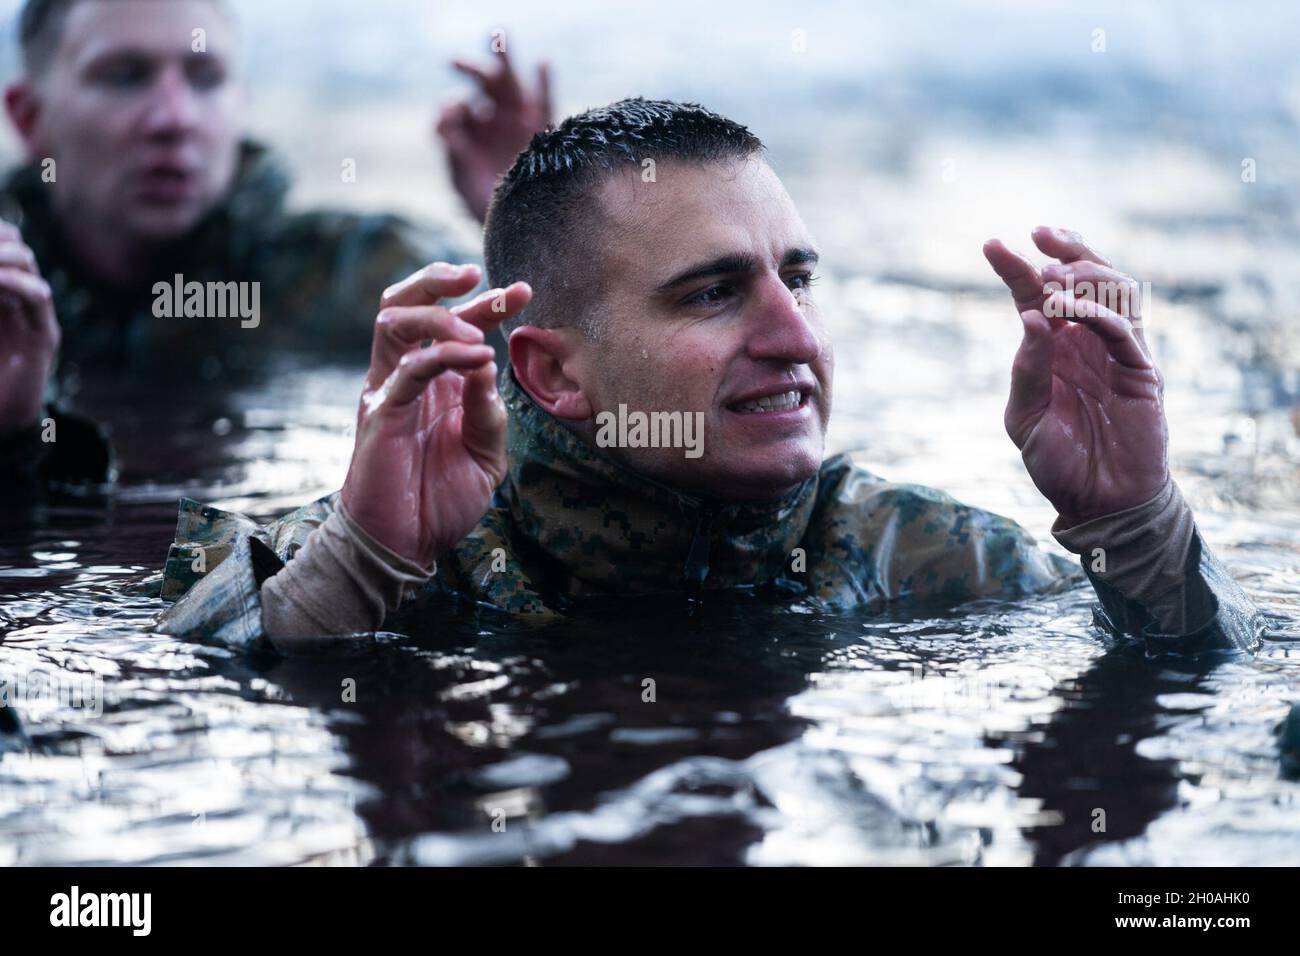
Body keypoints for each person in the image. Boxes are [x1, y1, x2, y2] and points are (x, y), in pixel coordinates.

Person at [153, 98, 1263, 656]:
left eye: (800, 276)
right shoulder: (396, 547)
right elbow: (182, 686)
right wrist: (363, 563)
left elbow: (1205, 678)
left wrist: (1135, 522)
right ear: (550, 370)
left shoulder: (918, 553)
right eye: (712, 292)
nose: (796, 335)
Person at [0, 0, 549, 486]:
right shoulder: (10, 286)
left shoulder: (353, 269)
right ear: (30, 118)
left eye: (204, 77)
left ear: (240, 101)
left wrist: (526, 227)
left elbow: (559, 378)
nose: (174, 118)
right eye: (125, 76)